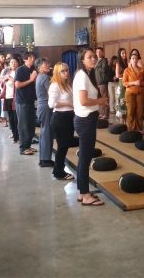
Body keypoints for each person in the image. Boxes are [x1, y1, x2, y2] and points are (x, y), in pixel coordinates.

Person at [73, 48, 107, 206]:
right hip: (85, 120)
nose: (93, 59)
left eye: (94, 56)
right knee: (85, 158)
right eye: (89, 57)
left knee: (85, 158)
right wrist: (100, 101)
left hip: (88, 118)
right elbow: (83, 101)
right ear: (82, 60)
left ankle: (82, 192)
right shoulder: (81, 76)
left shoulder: (88, 74)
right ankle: (85, 195)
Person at [48, 62, 79, 180]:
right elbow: (51, 104)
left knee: (65, 145)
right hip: (60, 119)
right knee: (62, 147)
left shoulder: (67, 84)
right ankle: (58, 171)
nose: (66, 73)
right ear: (57, 73)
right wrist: (68, 104)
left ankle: (59, 169)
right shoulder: (55, 85)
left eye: (67, 70)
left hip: (68, 117)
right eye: (63, 71)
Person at [14, 52, 38, 156]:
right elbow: (17, 85)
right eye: (31, 58)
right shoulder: (21, 69)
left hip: (30, 100)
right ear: (26, 59)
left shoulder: (32, 70)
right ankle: (23, 148)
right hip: (22, 101)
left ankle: (28, 145)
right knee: (23, 125)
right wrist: (31, 80)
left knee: (31, 125)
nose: (33, 59)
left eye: (33, 58)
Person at [35, 57, 54, 167]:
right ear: (39, 67)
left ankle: (43, 158)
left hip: (41, 106)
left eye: (48, 63)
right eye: (45, 64)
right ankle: (46, 160)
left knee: (44, 132)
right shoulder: (45, 77)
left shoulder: (39, 76)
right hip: (46, 106)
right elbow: (51, 92)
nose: (48, 65)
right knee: (47, 133)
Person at [123, 52, 144, 132]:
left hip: (140, 92)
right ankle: (131, 130)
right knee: (130, 112)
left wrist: (141, 83)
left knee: (139, 112)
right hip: (130, 93)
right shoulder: (127, 70)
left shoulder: (142, 70)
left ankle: (139, 129)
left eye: (136, 59)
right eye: (133, 58)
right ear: (130, 60)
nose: (135, 60)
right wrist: (134, 83)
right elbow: (124, 83)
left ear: (138, 60)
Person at [1, 57, 19, 143]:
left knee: (16, 118)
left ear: (18, 63)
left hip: (15, 97)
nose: (13, 64)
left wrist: (11, 79)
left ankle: (17, 136)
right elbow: (2, 84)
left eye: (15, 62)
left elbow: (17, 84)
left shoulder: (19, 72)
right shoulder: (8, 72)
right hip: (7, 97)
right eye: (11, 62)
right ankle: (14, 135)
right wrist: (4, 79)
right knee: (11, 118)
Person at [95, 47, 109, 120]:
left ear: (103, 52)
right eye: (97, 52)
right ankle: (101, 113)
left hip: (103, 82)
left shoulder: (104, 60)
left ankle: (105, 114)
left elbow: (104, 70)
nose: (98, 53)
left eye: (100, 52)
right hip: (97, 82)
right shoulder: (97, 61)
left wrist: (97, 66)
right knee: (99, 99)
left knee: (104, 98)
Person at [115, 48, 128, 122]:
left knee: (126, 101)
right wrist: (126, 75)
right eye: (122, 53)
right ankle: (121, 120)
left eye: (125, 53)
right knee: (121, 101)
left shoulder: (126, 62)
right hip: (121, 83)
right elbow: (117, 75)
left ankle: (125, 120)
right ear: (119, 54)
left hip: (126, 83)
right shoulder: (118, 63)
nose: (124, 55)